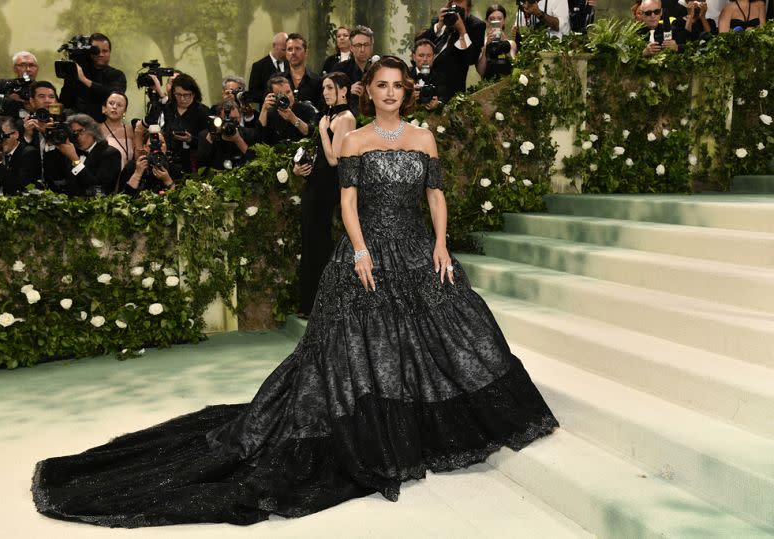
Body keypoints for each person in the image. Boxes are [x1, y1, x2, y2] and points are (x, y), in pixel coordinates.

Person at [31, 54, 558, 528]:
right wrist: (359, 251)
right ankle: (379, 429)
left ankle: (419, 423)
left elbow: (436, 195)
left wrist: (442, 244)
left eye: (399, 85)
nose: (391, 93)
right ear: (368, 91)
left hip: (421, 251)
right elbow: (348, 203)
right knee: (360, 352)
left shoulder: (423, 138)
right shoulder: (354, 139)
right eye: (382, 85)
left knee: (450, 333)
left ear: (407, 92)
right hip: (367, 253)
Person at [293, 71, 355, 318]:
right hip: (315, 184)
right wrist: (302, 168)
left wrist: (320, 128)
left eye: (330, 88)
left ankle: (323, 305)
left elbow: (334, 159)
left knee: (319, 243)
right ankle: (309, 305)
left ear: (344, 90)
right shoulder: (330, 116)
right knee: (310, 242)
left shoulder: (346, 118)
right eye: (324, 88)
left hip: (328, 187)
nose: (326, 92)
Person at [420, 1, 487, 103]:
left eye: (459, 10)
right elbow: (419, 45)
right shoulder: (439, 21)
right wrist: (438, 26)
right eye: (453, 9)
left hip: (450, 92)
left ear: (468, 9)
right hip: (425, 85)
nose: (455, 14)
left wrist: (462, 31)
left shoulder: (476, 25)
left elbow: (471, 59)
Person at [144, 73, 210, 175]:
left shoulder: (202, 111)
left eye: (186, 95)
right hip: (167, 160)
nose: (182, 99)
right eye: (178, 95)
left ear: (194, 93)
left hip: (192, 163)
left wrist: (190, 139)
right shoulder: (169, 107)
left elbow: (208, 142)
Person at [45, 113, 121, 196]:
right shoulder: (70, 150)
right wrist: (50, 143)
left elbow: (99, 191)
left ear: (92, 131)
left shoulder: (110, 154)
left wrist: (75, 160)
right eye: (73, 132)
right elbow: (55, 178)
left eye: (80, 131)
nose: (76, 136)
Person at [58, 33, 127, 122]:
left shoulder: (117, 75)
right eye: (96, 51)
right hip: (75, 125)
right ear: (89, 52)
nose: (101, 54)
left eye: (105, 51)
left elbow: (113, 96)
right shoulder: (78, 73)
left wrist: (84, 80)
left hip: (104, 127)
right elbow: (65, 101)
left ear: (110, 52)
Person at [119, 123, 180, 196]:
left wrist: (168, 180)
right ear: (145, 147)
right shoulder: (132, 167)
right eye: (153, 144)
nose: (158, 147)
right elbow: (124, 198)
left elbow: (179, 201)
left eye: (161, 143)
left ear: (166, 146)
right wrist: (137, 174)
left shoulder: (175, 169)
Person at [257, 75, 317, 146]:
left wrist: (293, 118)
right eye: (281, 94)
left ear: (292, 91)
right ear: (273, 97)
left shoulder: (306, 108)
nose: (287, 97)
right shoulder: (271, 114)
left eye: (288, 92)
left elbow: (314, 133)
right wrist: (264, 109)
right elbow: (259, 140)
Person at [197, 100, 257, 170]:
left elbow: (255, 162)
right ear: (218, 119)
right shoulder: (206, 135)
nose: (230, 123)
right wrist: (210, 139)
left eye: (234, 119)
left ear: (240, 117)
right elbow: (201, 167)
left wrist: (238, 140)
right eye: (226, 120)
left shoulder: (249, 133)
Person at [333, 25, 376, 114]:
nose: (362, 49)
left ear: (372, 47)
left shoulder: (379, 70)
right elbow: (328, 98)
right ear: (351, 48)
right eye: (358, 45)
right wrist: (347, 92)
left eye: (366, 45)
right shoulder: (340, 69)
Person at [476, 4, 518, 81]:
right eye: (492, 19)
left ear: (504, 21)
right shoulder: (481, 43)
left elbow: (515, 68)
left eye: (499, 18)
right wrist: (486, 46)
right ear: (487, 22)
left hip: (507, 86)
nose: (496, 21)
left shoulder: (511, 44)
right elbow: (481, 72)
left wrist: (505, 43)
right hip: (488, 87)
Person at [284, 33, 323, 111]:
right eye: (289, 49)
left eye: (297, 48)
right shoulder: (276, 80)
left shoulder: (318, 81)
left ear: (306, 52)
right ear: (286, 54)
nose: (293, 53)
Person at [248, 32, 289, 103]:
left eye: (288, 49)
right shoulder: (259, 66)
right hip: (268, 111)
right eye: (283, 50)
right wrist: (271, 97)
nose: (286, 53)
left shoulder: (290, 65)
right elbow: (253, 93)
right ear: (274, 45)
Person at [99, 91, 134, 169]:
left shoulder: (130, 131)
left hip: (126, 178)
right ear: (104, 108)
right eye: (111, 103)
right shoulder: (96, 129)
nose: (114, 107)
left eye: (119, 105)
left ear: (125, 111)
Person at [410, 39, 447, 111]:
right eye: (421, 55)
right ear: (414, 57)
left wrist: (437, 104)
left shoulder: (441, 77)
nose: (425, 59)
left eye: (429, 55)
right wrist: (409, 97)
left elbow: (445, 98)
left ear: (433, 57)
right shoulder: (405, 75)